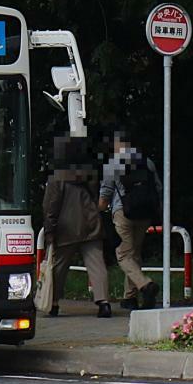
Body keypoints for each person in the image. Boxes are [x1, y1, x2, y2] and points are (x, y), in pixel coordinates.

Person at [39, 136, 114, 318]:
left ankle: (53, 302)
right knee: (97, 264)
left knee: (58, 267)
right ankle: (104, 303)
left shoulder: (58, 177)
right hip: (91, 223)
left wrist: (50, 230)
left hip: (67, 228)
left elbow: (51, 206)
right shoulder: (89, 175)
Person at [98, 130, 162, 310]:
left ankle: (146, 285)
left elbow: (105, 195)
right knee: (134, 253)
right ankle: (130, 297)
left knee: (124, 255)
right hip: (144, 214)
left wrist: (98, 211)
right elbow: (158, 188)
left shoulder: (113, 164)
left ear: (118, 145)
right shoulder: (146, 162)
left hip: (123, 213)